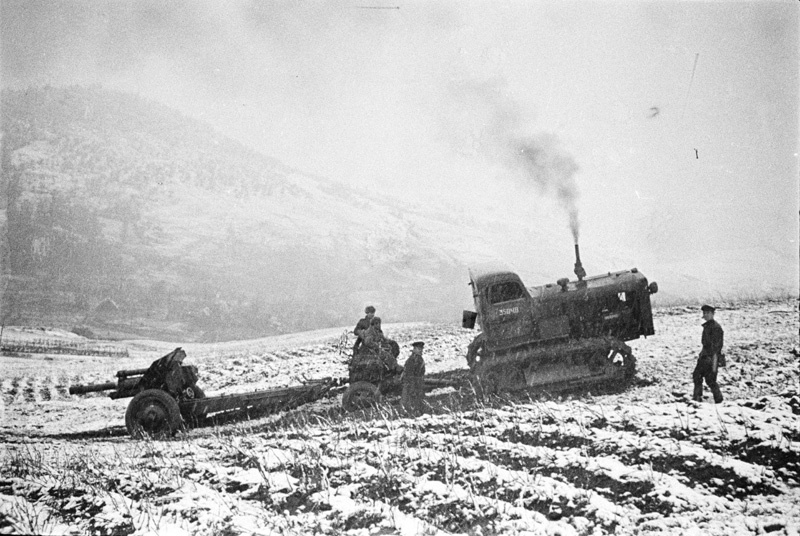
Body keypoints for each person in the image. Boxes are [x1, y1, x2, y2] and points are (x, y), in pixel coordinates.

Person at [692, 304, 724, 403]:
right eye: (704, 313)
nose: (705, 315)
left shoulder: (715, 327)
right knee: (697, 376)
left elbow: (716, 346)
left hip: (711, 358)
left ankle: (718, 400)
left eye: (707, 313)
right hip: (705, 356)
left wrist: (711, 359)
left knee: (710, 380)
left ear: (712, 314)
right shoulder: (708, 326)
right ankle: (697, 398)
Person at [402, 341, 426, 416]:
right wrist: (412, 387)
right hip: (411, 384)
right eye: (419, 349)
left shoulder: (419, 359)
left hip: (418, 383)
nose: (421, 350)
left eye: (421, 349)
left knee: (419, 401)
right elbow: (409, 375)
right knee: (409, 401)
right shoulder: (412, 360)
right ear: (414, 349)